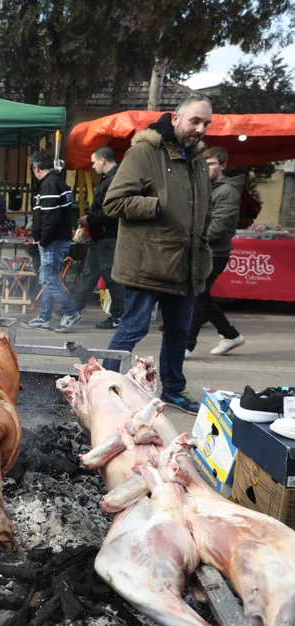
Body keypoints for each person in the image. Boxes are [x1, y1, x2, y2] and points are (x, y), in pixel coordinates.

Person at [102, 94, 214, 414]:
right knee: (133, 328)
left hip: (186, 261)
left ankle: (174, 390)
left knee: (178, 331)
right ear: (176, 118)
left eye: (206, 123)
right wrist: (158, 205)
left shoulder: (198, 160)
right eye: (195, 120)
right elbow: (114, 203)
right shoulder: (144, 152)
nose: (201, 128)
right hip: (147, 262)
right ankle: (103, 385)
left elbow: (200, 211)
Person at [186, 146, 245, 358]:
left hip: (214, 253)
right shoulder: (205, 187)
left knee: (197, 297)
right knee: (202, 296)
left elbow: (219, 226)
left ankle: (187, 345)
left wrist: (191, 240)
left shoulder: (226, 191)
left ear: (223, 166)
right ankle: (230, 335)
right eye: (204, 163)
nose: (206, 167)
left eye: (211, 164)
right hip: (203, 250)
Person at [22, 150, 80, 332]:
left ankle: (71, 312)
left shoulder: (48, 185)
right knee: (49, 278)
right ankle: (44, 317)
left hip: (52, 241)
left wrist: (43, 240)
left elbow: (50, 216)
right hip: (56, 239)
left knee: (47, 279)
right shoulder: (56, 182)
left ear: (36, 168)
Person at [72, 146, 125, 329]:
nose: (93, 166)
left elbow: (112, 210)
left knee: (110, 276)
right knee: (89, 273)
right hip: (100, 234)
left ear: (102, 160)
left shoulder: (114, 179)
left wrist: (90, 218)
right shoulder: (110, 178)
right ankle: (73, 309)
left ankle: (119, 315)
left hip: (108, 235)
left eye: (94, 162)